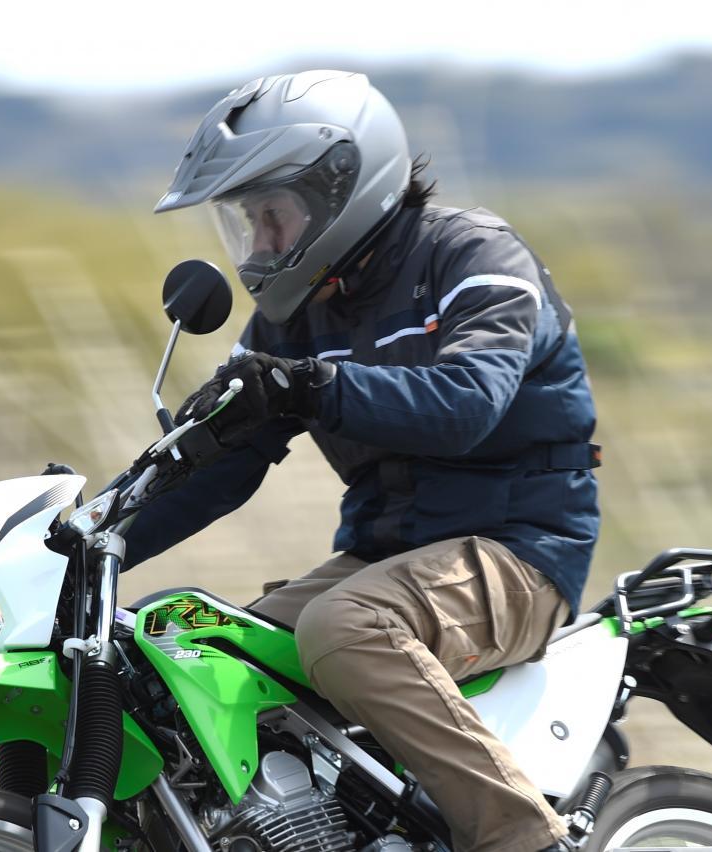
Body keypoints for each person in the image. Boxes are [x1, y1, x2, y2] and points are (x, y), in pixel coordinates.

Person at [125, 70, 600, 852]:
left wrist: (312, 386)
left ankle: (523, 838)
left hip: (518, 550)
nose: (259, 245)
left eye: (272, 217)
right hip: (386, 556)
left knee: (343, 628)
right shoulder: (289, 318)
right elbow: (216, 468)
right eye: (246, 222)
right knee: (182, 646)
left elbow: (466, 405)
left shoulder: (472, 255)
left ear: (338, 189)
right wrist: (87, 539)